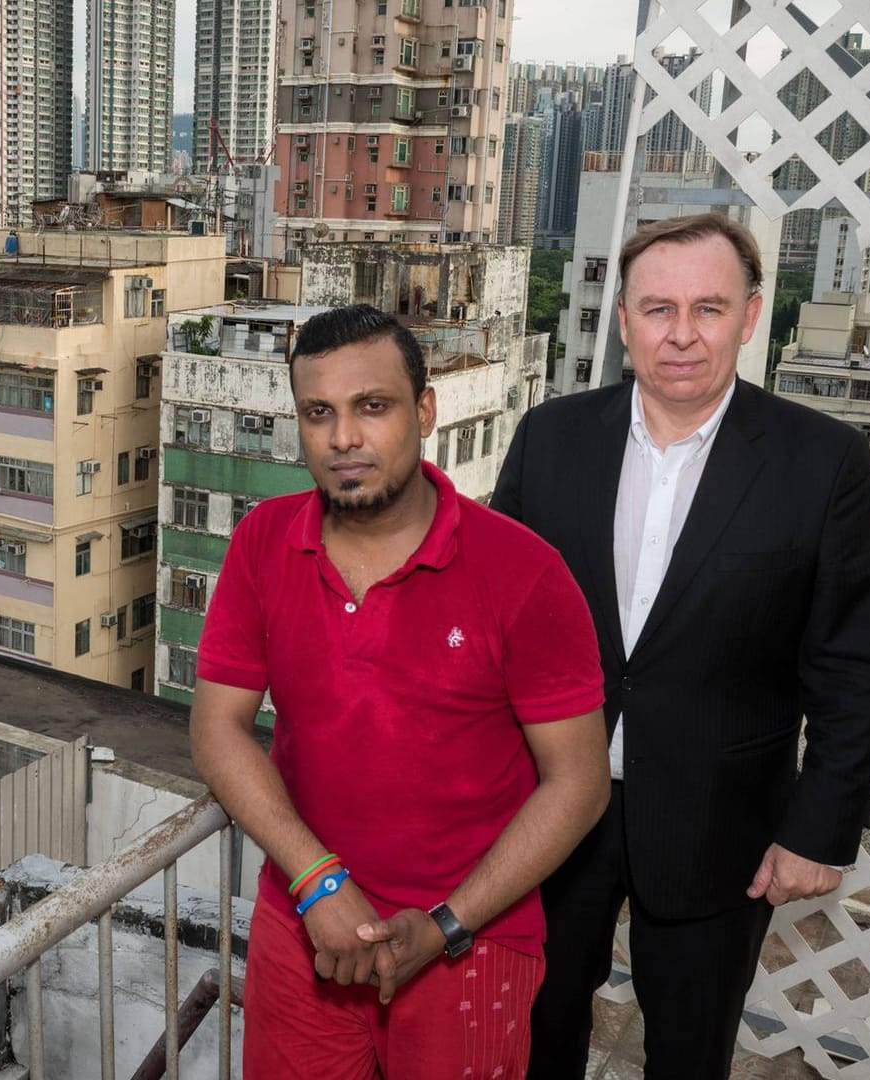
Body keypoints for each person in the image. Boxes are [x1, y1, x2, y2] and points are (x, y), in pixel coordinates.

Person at [491, 213, 870, 1078]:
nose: (681, 335)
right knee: (532, 1031)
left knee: (688, 1051)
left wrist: (817, 833)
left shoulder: (822, 462)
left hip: (723, 821)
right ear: (625, 319)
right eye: (658, 308)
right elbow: (494, 624)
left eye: (708, 309)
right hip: (555, 801)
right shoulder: (550, 437)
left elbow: (852, 665)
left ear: (751, 316)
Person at [190, 304, 612, 1078]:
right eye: (319, 413)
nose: (343, 438)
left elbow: (579, 785)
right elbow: (217, 728)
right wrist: (320, 884)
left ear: (424, 411)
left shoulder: (524, 571)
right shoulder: (262, 542)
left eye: (371, 407)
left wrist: (448, 924)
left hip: (473, 943)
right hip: (306, 929)